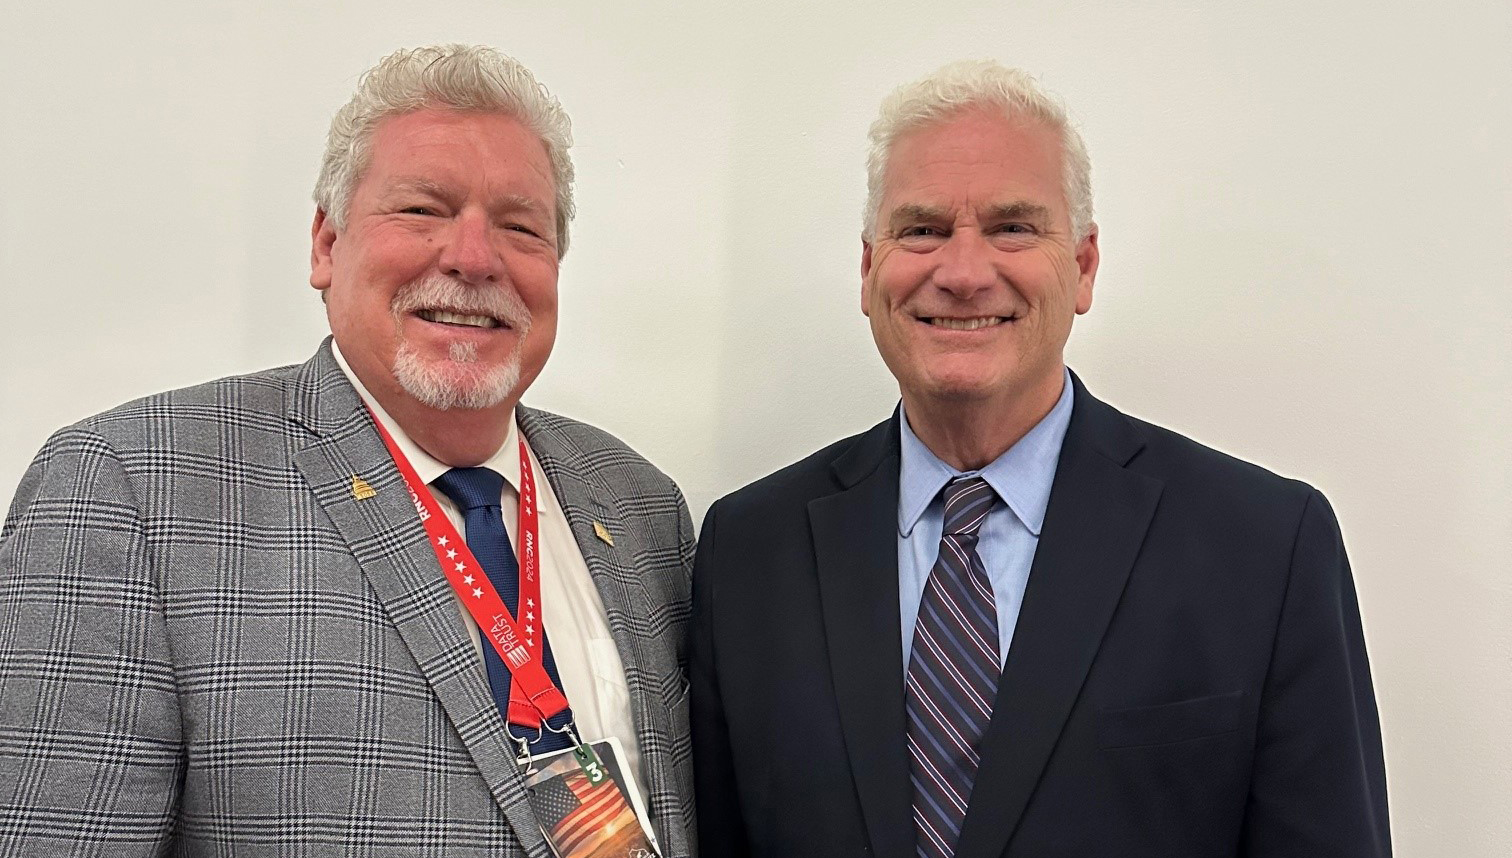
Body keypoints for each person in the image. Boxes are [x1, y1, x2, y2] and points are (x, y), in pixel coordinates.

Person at [0, 44, 693, 857]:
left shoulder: (641, 504)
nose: (474, 257)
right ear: (327, 245)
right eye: (423, 211)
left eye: (520, 226)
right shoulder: (127, 491)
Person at [690, 61, 1390, 858]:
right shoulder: (747, 552)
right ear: (868, 269)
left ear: (1084, 266)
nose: (960, 272)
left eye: (1012, 227)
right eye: (920, 229)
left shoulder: (1265, 547)